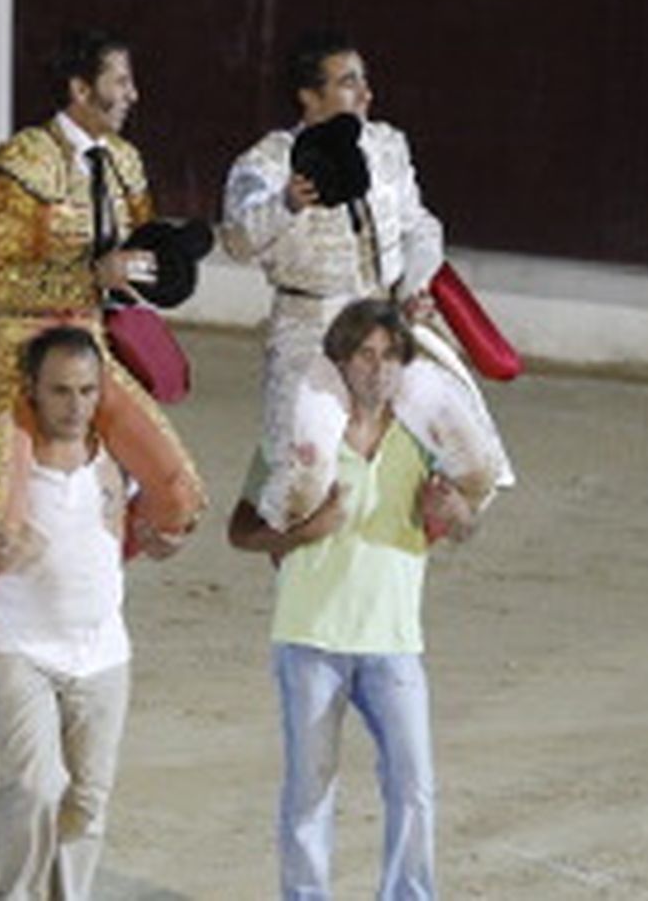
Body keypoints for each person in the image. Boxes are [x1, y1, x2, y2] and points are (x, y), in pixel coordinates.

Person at [227, 300, 483, 901]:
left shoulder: (424, 439)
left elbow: (466, 522)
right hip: (310, 637)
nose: (378, 369)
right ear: (340, 362)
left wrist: (457, 514)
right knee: (309, 791)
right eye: (365, 355)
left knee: (414, 787)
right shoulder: (297, 438)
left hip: (394, 639)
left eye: (390, 356)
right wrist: (303, 533)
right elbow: (240, 530)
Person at [0, 326, 183, 900]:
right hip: (12, 644)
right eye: (60, 391)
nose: (75, 406)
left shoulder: (121, 455)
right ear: (31, 388)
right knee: (36, 785)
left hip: (103, 649)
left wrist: (163, 541)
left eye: (87, 391)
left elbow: (142, 529)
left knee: (87, 801)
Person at [221, 30, 510, 530]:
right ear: (309, 96)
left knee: (476, 462)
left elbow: (421, 227)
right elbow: (237, 240)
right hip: (310, 329)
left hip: (386, 323)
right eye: (349, 82)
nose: (366, 94)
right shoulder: (267, 162)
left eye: (364, 80)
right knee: (302, 484)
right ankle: (290, 561)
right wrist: (287, 203)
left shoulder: (386, 146)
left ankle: (404, 549)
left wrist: (413, 286)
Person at [0, 27, 202, 551]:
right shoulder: (22, 162)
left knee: (179, 498)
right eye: (121, 81)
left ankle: (95, 563)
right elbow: (2, 282)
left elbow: (141, 252)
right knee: (1, 521)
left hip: (91, 348)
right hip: (19, 348)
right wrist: (92, 277)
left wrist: (166, 265)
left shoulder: (124, 161)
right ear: (81, 89)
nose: (133, 94)